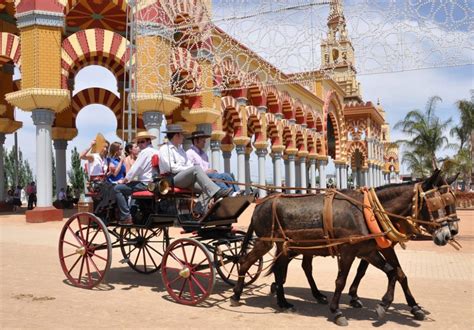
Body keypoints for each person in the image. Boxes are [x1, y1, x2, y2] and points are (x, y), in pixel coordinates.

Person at [158, 124, 231, 205]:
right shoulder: (164, 149)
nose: (183, 137)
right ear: (176, 135)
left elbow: (189, 165)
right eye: (181, 135)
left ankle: (198, 208)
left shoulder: (180, 150)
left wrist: (188, 169)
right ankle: (218, 193)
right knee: (196, 169)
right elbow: (172, 168)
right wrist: (187, 169)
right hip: (171, 179)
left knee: (207, 188)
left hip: (183, 178)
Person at [113, 132, 160, 225]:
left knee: (117, 189)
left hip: (145, 184)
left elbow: (135, 169)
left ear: (148, 141)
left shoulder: (144, 152)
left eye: (142, 142)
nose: (139, 144)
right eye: (138, 142)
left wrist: (124, 180)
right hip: (155, 184)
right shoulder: (157, 151)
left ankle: (126, 216)